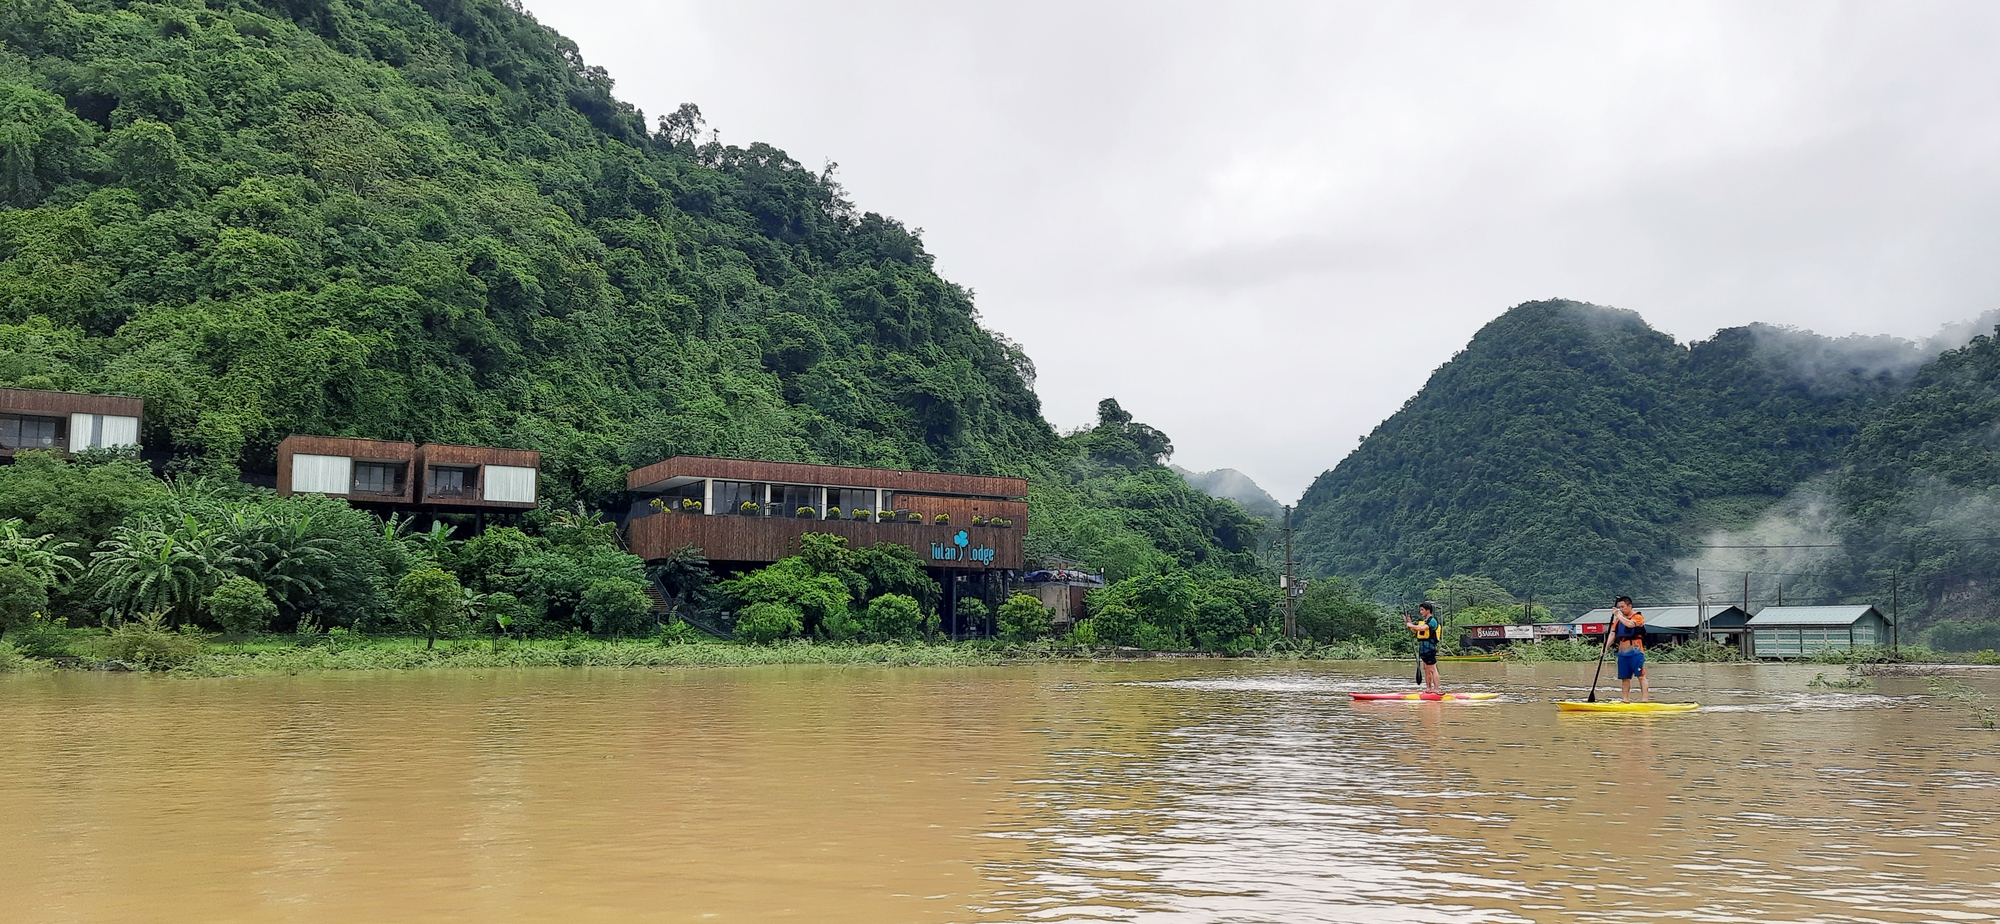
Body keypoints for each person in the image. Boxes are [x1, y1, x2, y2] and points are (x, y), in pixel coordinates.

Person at [1611, 595, 1649, 702]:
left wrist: (1618, 615)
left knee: (1640, 675)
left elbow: (1630, 625)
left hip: (1636, 652)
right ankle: (1625, 699)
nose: (1621, 609)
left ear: (1630, 606)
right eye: (1620, 607)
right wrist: (1604, 648)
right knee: (1624, 677)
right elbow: (1612, 635)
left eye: (1623, 607)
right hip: (1623, 653)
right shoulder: (1618, 621)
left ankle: (1644, 700)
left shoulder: (1638, 617)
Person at [1404, 601, 1443, 694]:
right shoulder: (1423, 621)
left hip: (1430, 648)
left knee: (1432, 669)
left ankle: (1436, 689)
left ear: (1428, 610)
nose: (1420, 612)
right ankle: (1428, 689)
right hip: (1423, 649)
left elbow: (1422, 628)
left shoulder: (1432, 620)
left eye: (1422, 610)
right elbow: (1415, 630)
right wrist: (1408, 622)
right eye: (1420, 610)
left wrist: (1411, 625)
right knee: (1426, 669)